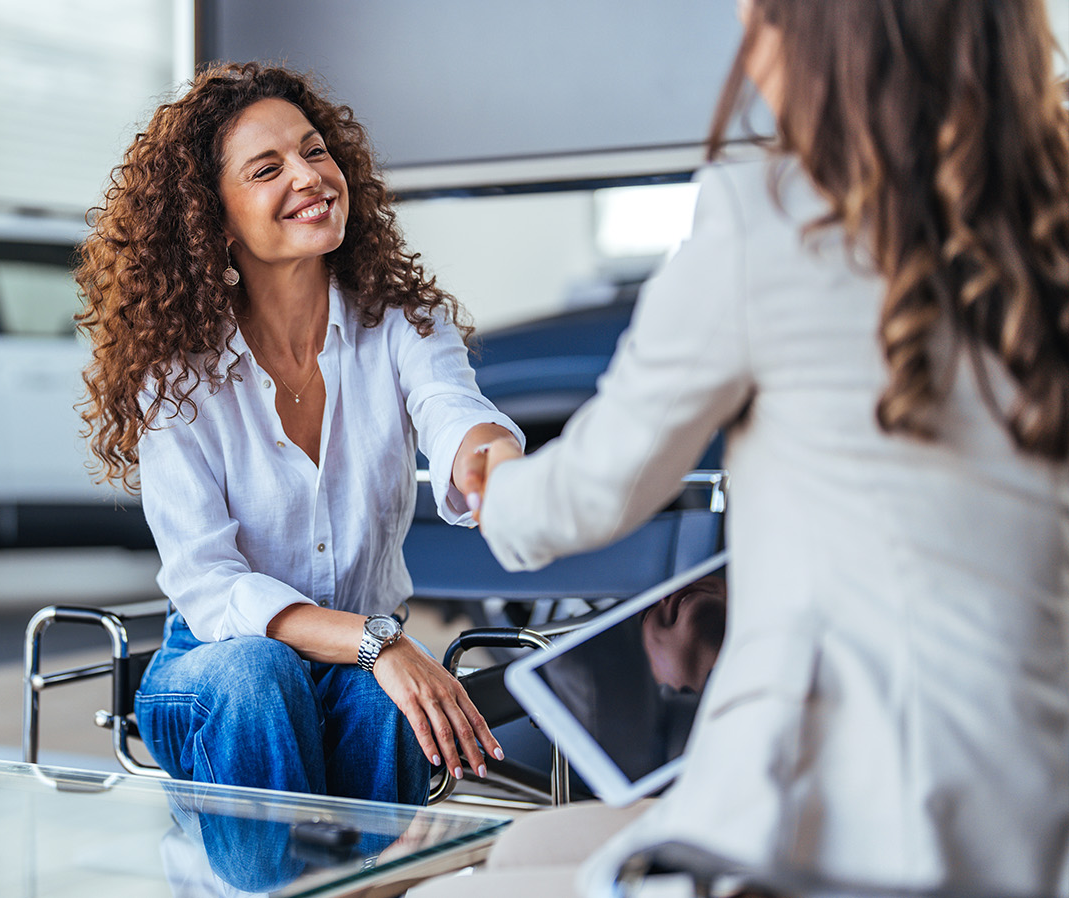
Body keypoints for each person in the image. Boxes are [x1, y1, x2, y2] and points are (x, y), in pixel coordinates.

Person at [422, 0, 1069, 894]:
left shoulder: (775, 218)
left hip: (855, 820)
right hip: (1033, 795)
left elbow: (588, 494)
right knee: (529, 847)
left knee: (453, 888)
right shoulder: (1045, 214)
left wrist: (494, 484)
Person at [74, 62, 523, 805]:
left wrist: (493, 462)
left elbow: (454, 412)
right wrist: (379, 642)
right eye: (267, 168)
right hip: (214, 670)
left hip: (362, 665)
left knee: (389, 703)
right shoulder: (178, 372)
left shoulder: (402, 325)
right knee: (261, 673)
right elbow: (210, 585)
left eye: (316, 151)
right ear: (211, 216)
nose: (311, 176)